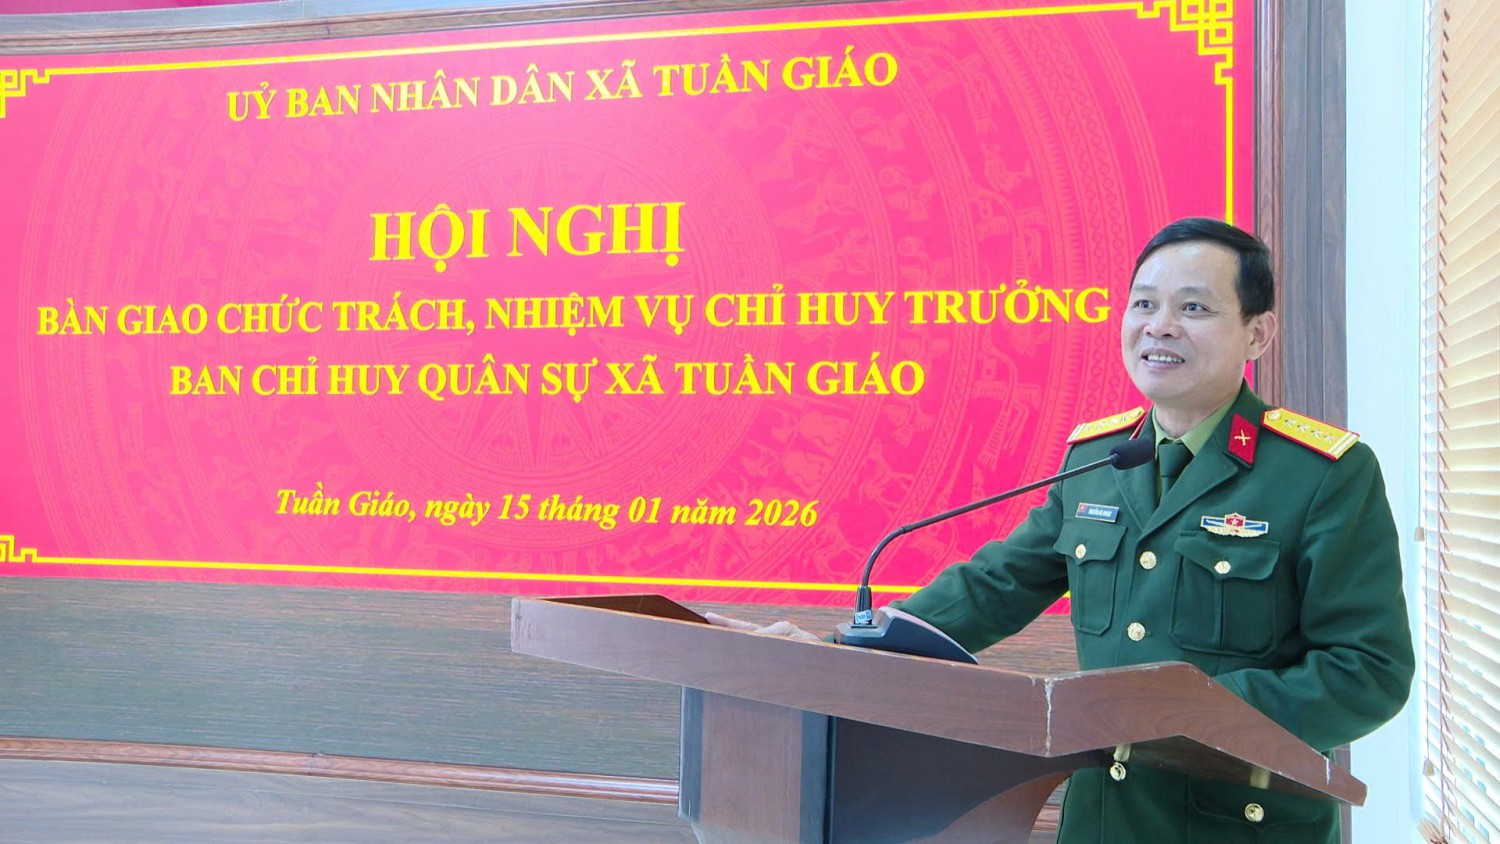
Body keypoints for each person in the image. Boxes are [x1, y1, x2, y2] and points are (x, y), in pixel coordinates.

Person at [889, 217, 1414, 842]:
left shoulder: (1322, 474)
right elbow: (994, 586)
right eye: (1144, 304)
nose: (1160, 326)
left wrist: (1186, 709)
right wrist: (852, 647)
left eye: (1193, 307)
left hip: (1240, 827)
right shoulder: (1099, 459)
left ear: (1257, 334)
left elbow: (1369, 671)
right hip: (1102, 823)